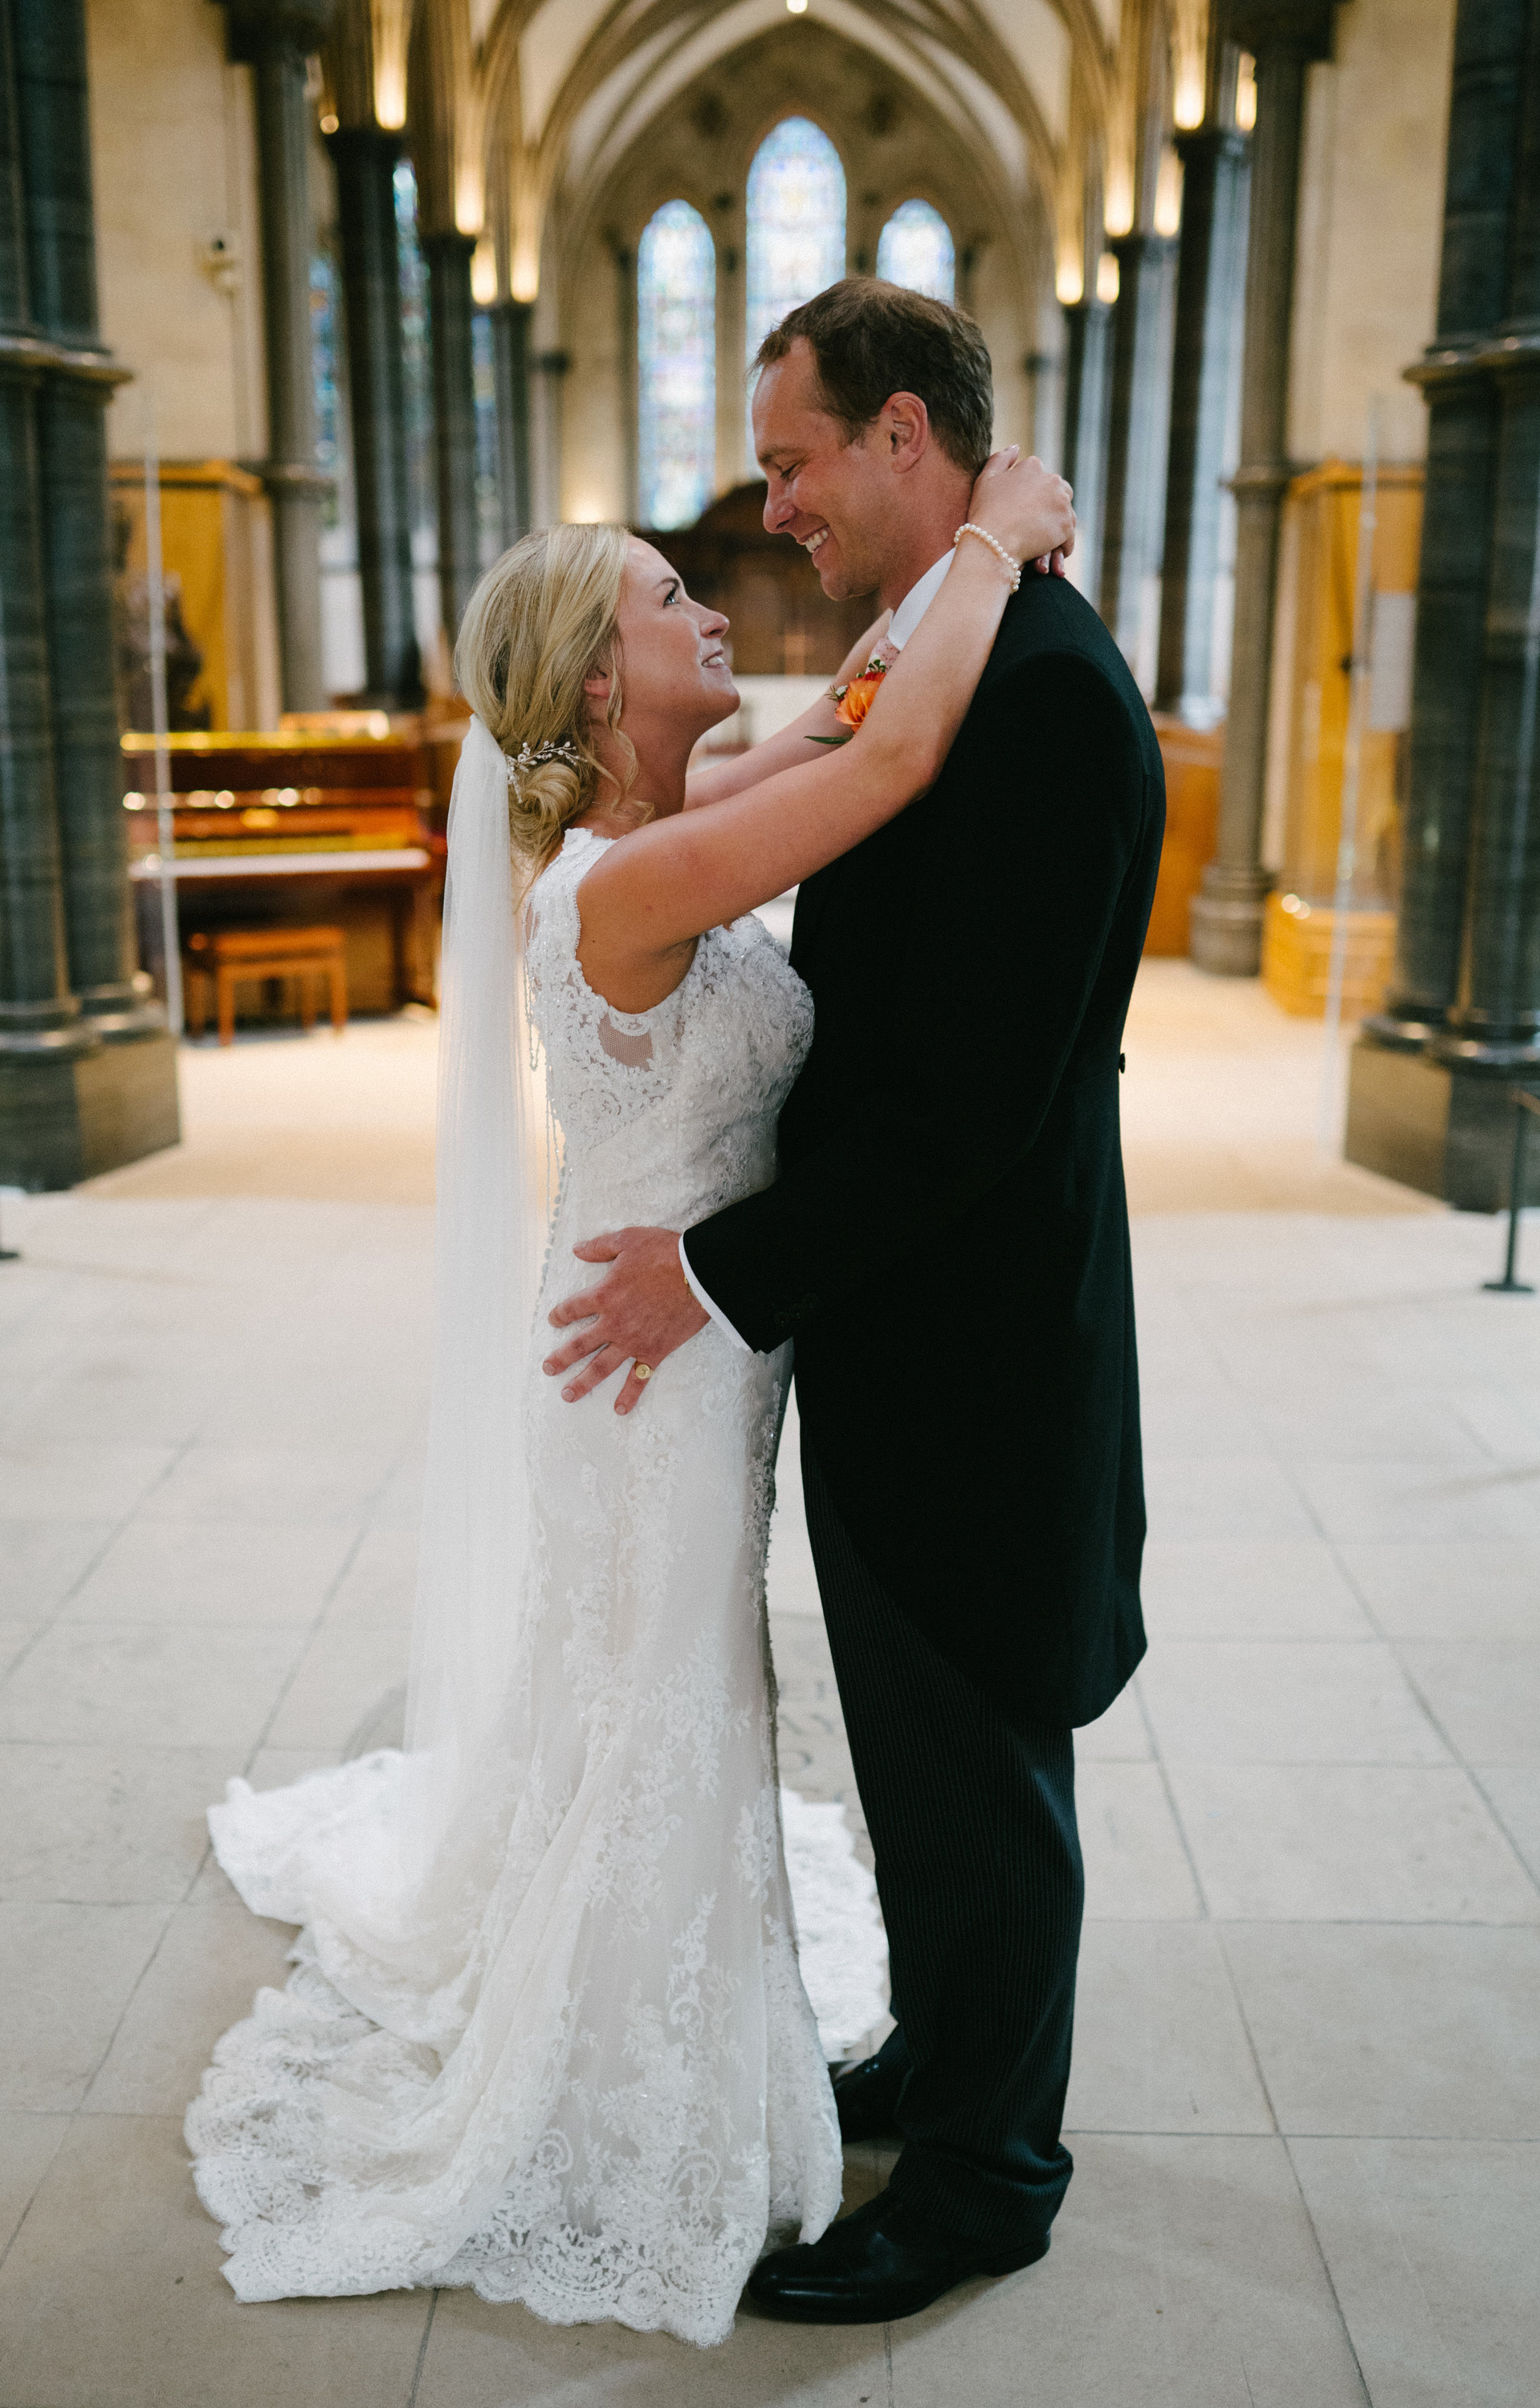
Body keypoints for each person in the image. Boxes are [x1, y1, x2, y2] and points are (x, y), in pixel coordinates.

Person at [185, 430, 1075, 2345]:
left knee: (673, 1707)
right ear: (602, 673)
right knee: (669, 1706)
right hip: (650, 1373)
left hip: (686, 1345)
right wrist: (992, 539)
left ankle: (672, 2036)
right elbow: (897, 756)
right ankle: (625, 2104)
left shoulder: (668, 812)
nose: (713, 602)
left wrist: (914, 615)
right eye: (673, 600)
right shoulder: (631, 875)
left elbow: (841, 727)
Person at [541, 278, 1167, 2324]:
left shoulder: (1044, 690)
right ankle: (942, 2057)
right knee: (914, 1736)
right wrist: (983, 549)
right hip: (900, 1331)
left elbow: (967, 1103)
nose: (773, 504)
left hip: (978, 1337)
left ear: (908, 435)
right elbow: (865, 777)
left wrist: (718, 1271)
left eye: (797, 459)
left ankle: (984, 2174)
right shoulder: (941, 660)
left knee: (976, 1741)